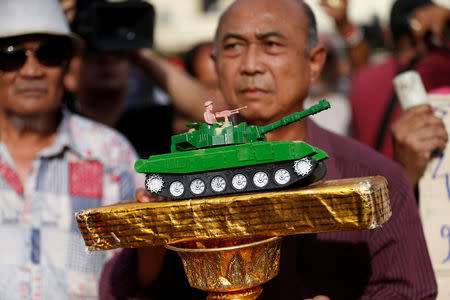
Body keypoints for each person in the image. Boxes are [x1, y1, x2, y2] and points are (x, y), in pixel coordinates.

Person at [100, 0, 437, 299]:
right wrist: (152, 247)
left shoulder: (376, 177)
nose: (250, 65)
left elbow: (410, 290)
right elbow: (118, 290)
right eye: (233, 47)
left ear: (315, 61)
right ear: (216, 62)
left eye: (271, 44)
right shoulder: (181, 178)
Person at [0, 0, 141, 298]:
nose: (32, 70)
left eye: (49, 55)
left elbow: (141, 274)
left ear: (68, 65)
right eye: (12, 57)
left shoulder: (112, 153)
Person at [350, 0, 449, 188]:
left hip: (379, 197)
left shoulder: (362, 79)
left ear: (388, 34)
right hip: (430, 200)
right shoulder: (442, 70)